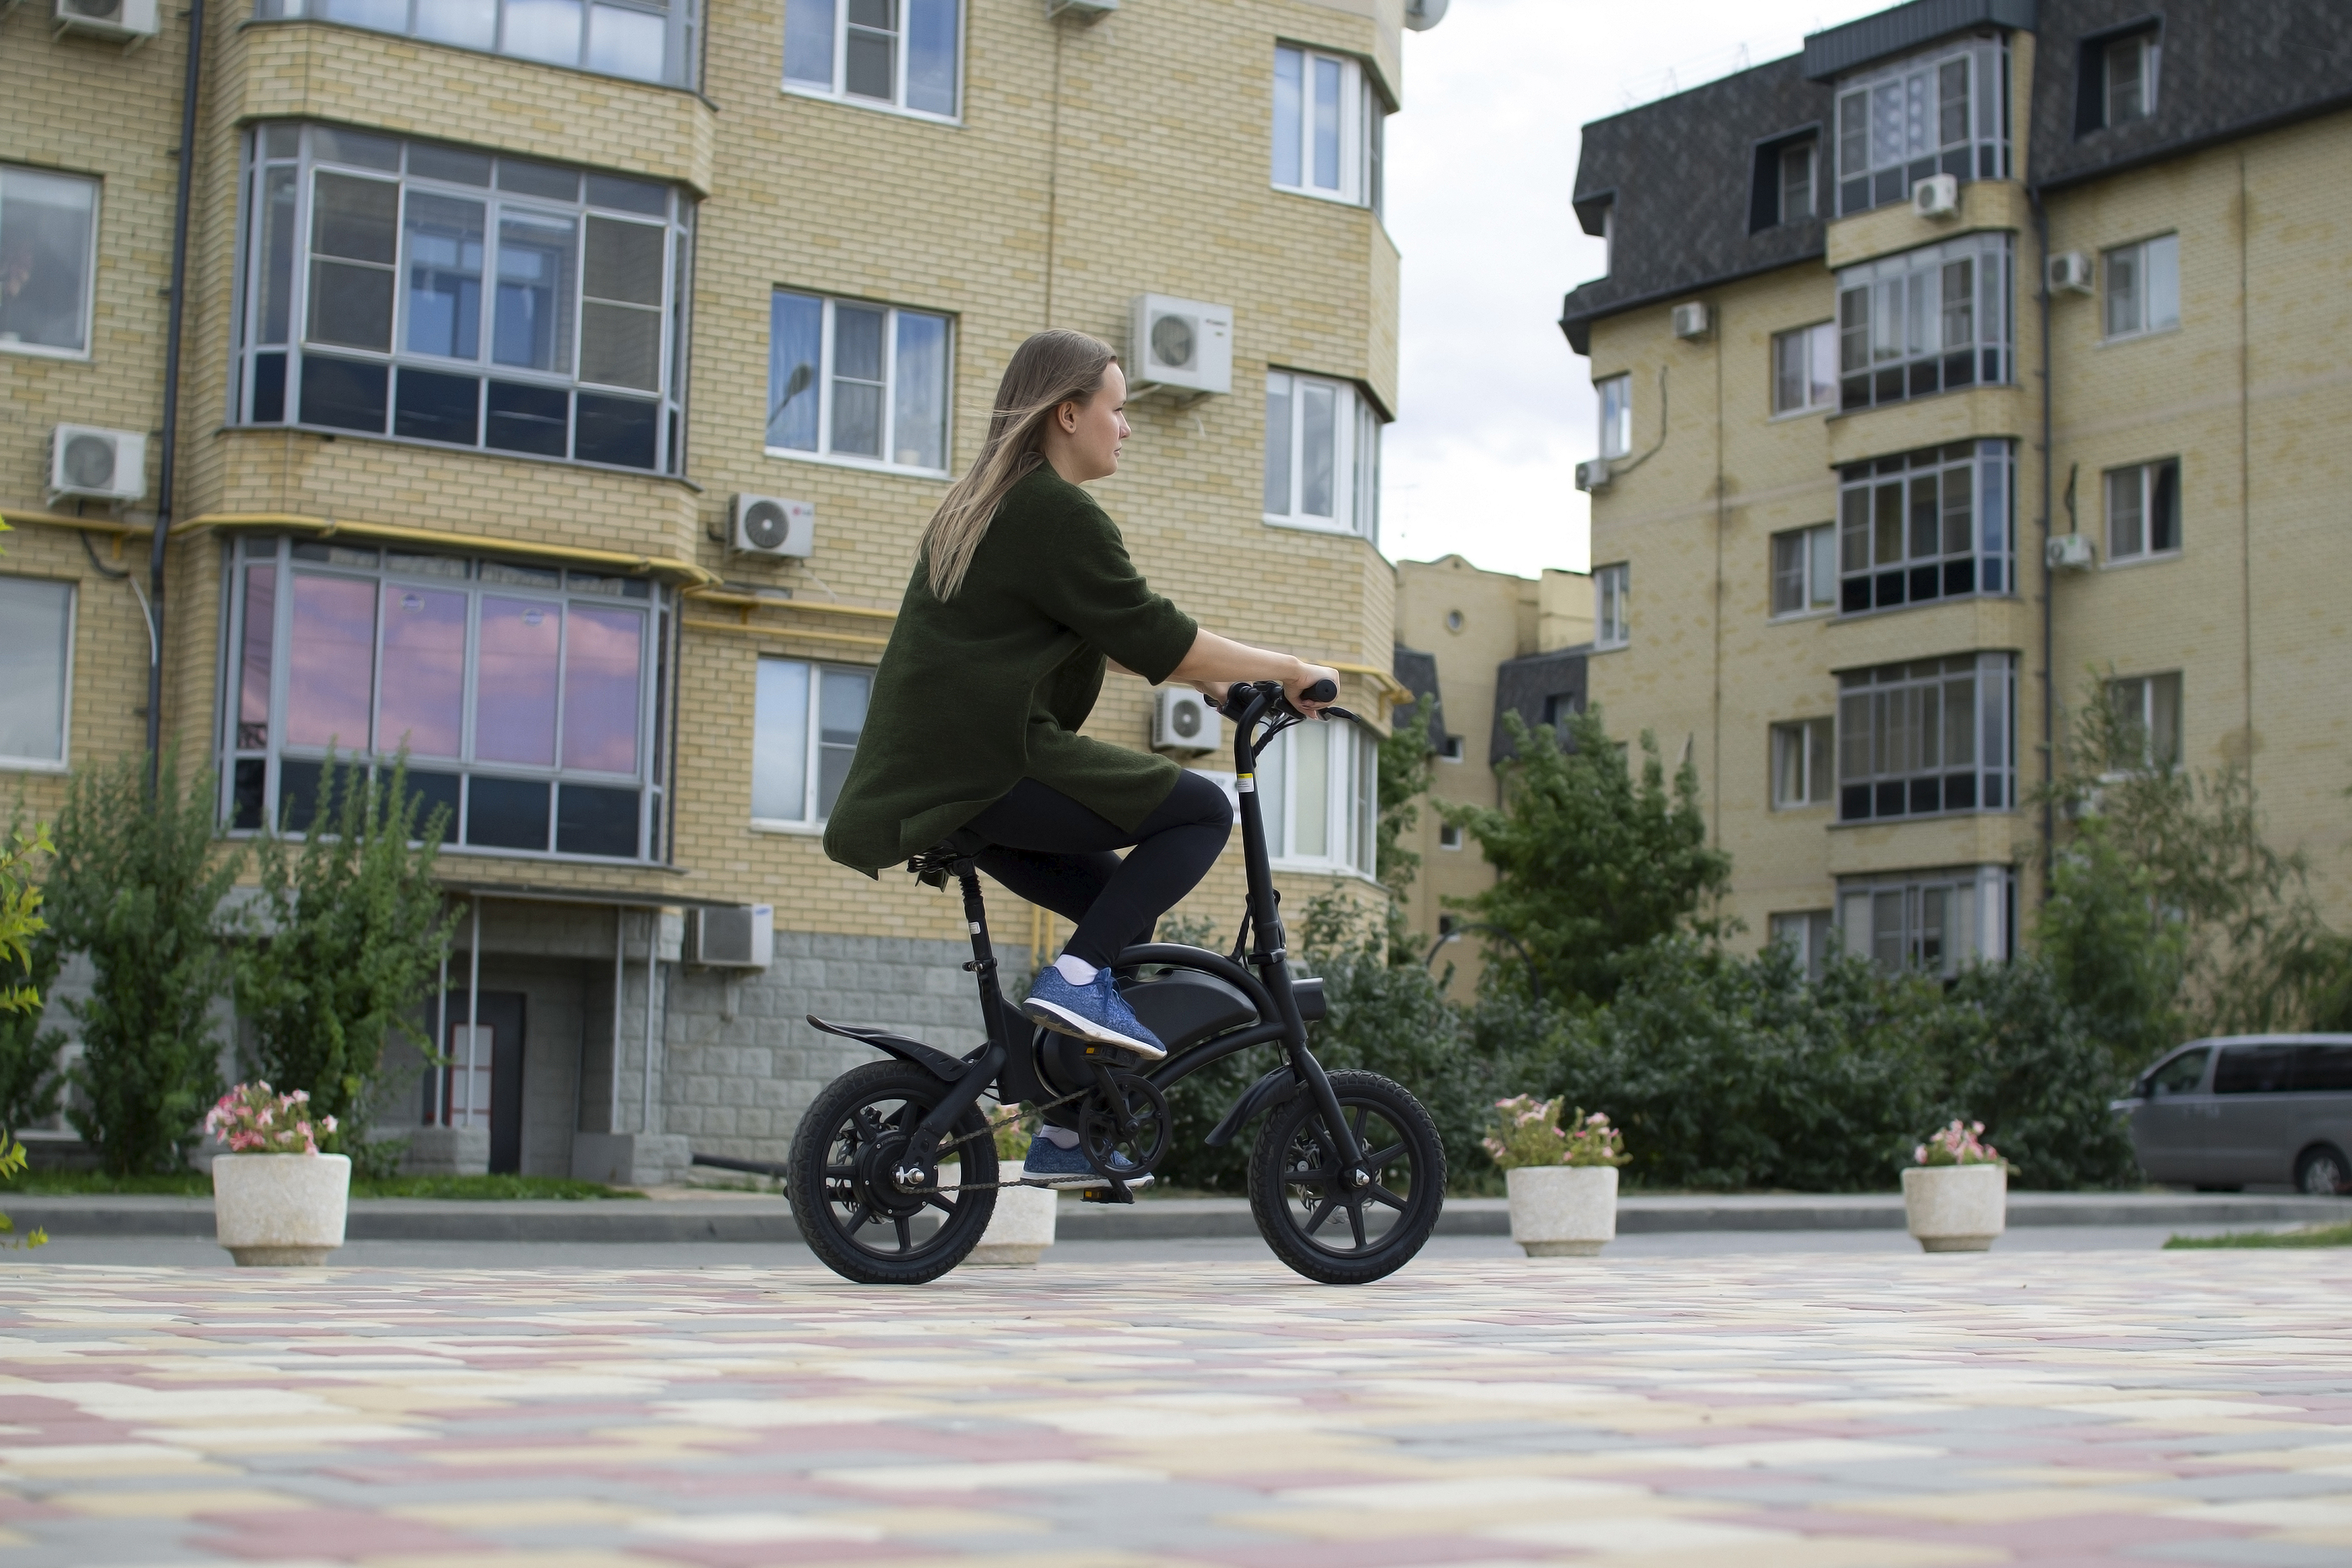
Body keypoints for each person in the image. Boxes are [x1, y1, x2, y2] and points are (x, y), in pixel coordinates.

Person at [822, 330, 1340, 1181]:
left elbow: (1101, 634)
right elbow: (1152, 629)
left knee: (1118, 910)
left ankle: (1068, 1129)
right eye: (1117, 408)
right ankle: (1070, 983)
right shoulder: (1053, 512)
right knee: (1199, 811)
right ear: (1069, 413)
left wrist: (1214, 685)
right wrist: (1285, 669)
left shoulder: (991, 504)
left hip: (951, 773)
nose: (1125, 428)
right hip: (991, 761)